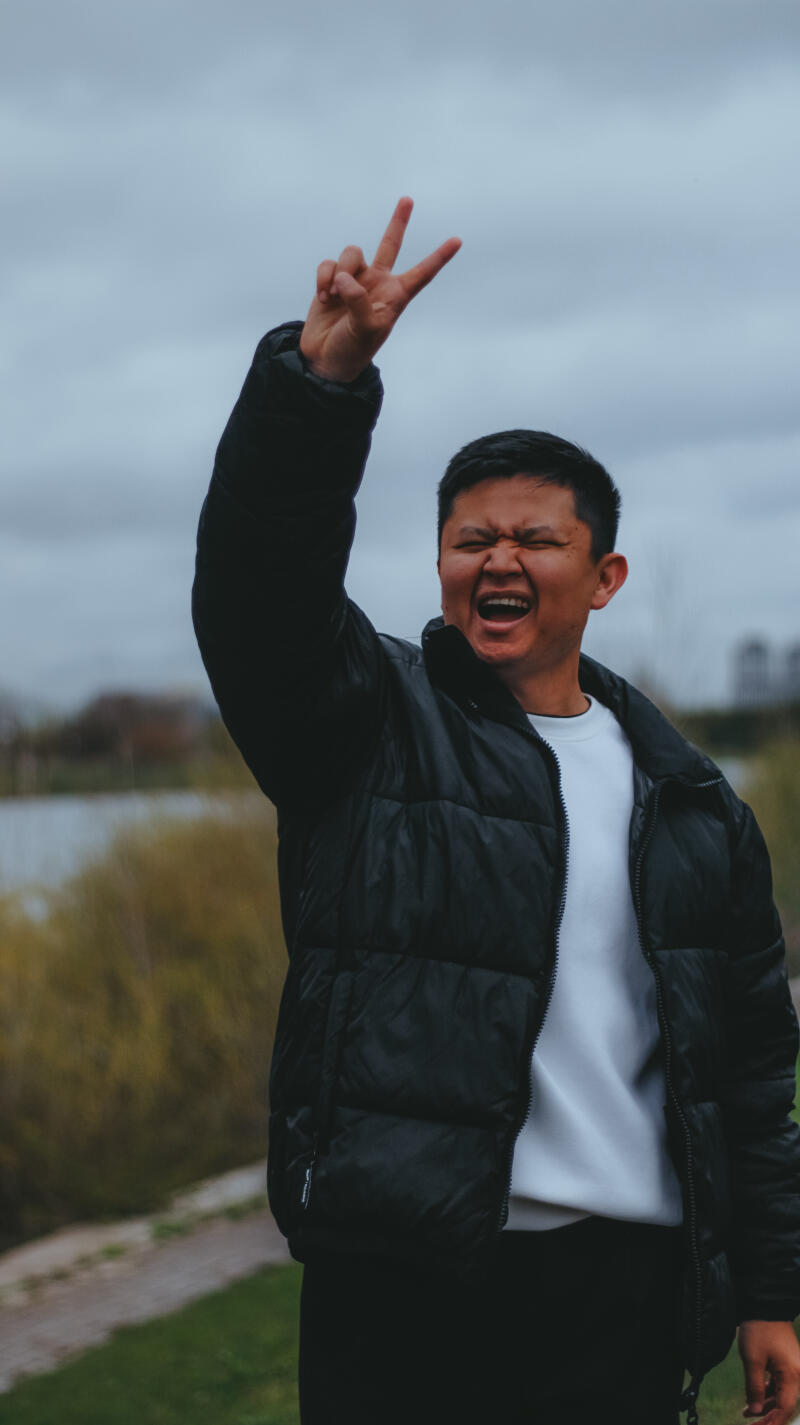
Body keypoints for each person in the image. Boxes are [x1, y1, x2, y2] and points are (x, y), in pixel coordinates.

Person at [192, 198, 800, 1425]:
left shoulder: (691, 807)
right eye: (470, 540)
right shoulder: (359, 729)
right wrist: (319, 386)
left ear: (604, 576)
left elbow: (747, 1080)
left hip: (619, 1291)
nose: (498, 561)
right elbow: (257, 586)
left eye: (535, 539)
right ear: (438, 567)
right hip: (399, 1282)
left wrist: (770, 1292)